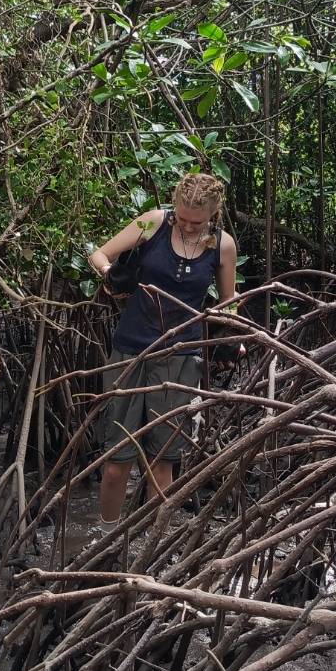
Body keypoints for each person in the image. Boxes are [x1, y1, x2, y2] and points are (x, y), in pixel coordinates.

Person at [86, 173, 238, 525]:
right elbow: (99, 253)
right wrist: (111, 274)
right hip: (131, 350)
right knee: (115, 463)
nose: (186, 226)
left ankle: (153, 550)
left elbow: (229, 303)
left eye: (195, 222)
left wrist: (231, 337)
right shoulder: (153, 221)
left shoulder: (222, 246)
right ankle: (106, 538)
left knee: (161, 463)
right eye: (181, 218)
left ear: (213, 215)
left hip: (181, 358)